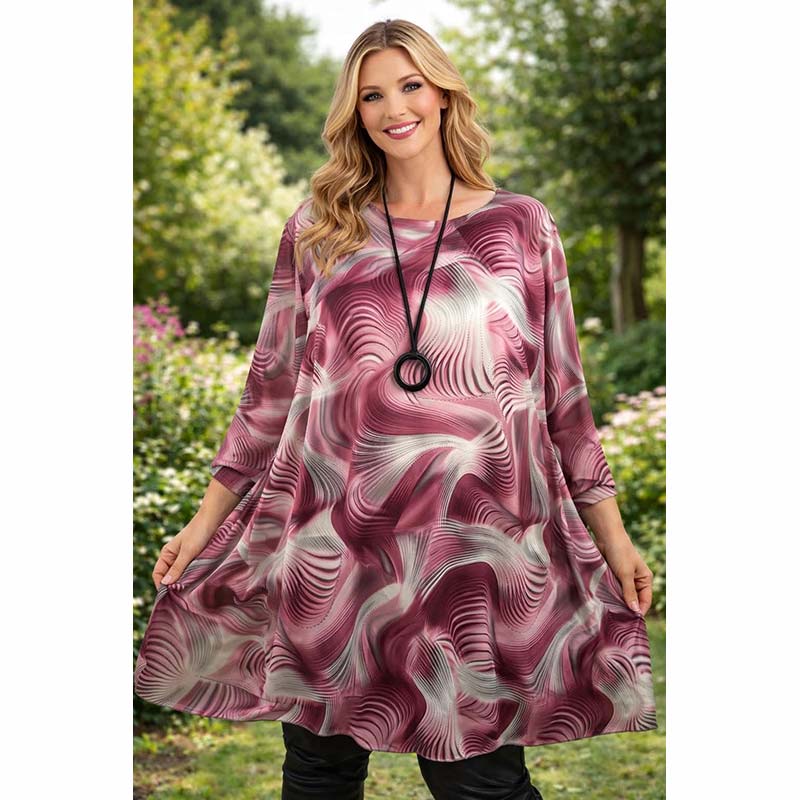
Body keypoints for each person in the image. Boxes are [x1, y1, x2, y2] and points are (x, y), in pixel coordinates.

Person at [134, 18, 658, 800]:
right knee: (319, 774)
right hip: (333, 552)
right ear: (354, 111)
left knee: (479, 782)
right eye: (371, 95)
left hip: (472, 556)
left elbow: (565, 404)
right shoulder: (320, 229)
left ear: (444, 95)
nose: (393, 109)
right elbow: (270, 391)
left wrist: (615, 542)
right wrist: (203, 524)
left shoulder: (521, 226)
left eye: (410, 86)